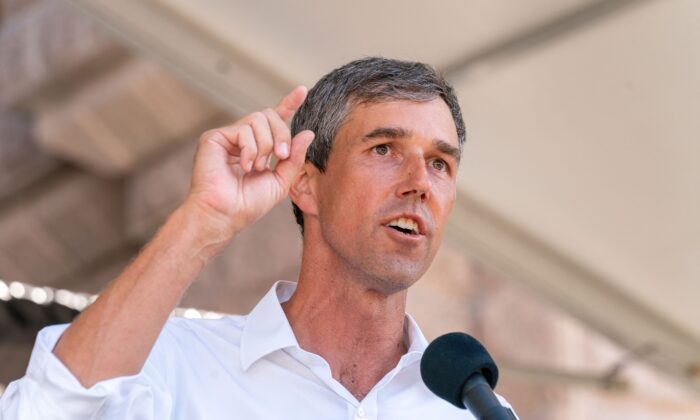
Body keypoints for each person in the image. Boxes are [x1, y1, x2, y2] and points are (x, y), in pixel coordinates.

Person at [0, 57, 516, 419]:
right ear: (306, 185)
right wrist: (203, 221)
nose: (419, 184)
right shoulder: (170, 366)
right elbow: (42, 412)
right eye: (384, 149)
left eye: (440, 163)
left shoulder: (473, 409)